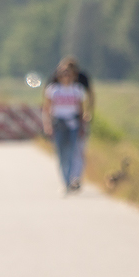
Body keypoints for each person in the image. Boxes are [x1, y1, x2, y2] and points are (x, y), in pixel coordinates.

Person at [42, 56, 95, 192]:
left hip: (73, 123)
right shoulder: (53, 89)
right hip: (58, 123)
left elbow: (81, 107)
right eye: (63, 73)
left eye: (68, 73)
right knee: (61, 153)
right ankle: (66, 180)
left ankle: (72, 179)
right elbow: (46, 108)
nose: (65, 75)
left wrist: (84, 122)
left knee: (73, 152)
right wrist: (47, 125)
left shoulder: (78, 89)